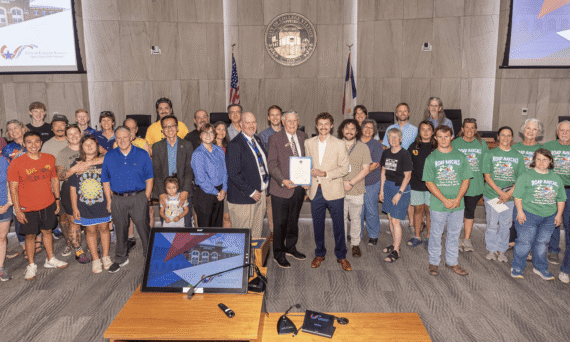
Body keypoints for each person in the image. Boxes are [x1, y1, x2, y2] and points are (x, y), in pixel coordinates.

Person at [8, 131, 68, 280]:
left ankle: (50, 259)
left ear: (41, 143)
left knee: (47, 231)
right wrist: (17, 210)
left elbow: (54, 179)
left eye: (36, 142)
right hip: (27, 207)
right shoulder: (17, 162)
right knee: (30, 236)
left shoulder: (49, 158)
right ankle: (31, 265)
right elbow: (13, 188)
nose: (33, 145)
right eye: (29, 142)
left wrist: (57, 200)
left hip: (48, 203)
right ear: (24, 144)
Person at [102, 126, 153, 273]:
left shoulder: (142, 154)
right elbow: (105, 180)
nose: (122, 140)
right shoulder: (110, 156)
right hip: (118, 199)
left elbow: (150, 177)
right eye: (118, 138)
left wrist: (146, 198)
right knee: (120, 229)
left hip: (138, 197)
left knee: (144, 229)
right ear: (115, 140)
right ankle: (121, 258)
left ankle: (149, 257)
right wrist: (109, 201)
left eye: (125, 137)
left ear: (131, 137)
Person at [423, 125, 472, 276]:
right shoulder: (431, 158)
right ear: (435, 138)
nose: (443, 140)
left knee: (454, 234)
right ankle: (434, 262)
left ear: (452, 137)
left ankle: (452, 262)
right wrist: (444, 200)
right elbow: (429, 182)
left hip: (458, 205)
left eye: (446, 136)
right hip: (438, 204)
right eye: (440, 136)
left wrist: (457, 199)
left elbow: (465, 179)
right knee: (435, 234)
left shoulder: (460, 156)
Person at [305, 112, 351, 271]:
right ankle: (319, 253)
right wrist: (305, 181)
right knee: (317, 225)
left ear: (331, 126)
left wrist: (325, 174)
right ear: (316, 126)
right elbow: (306, 165)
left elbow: (345, 168)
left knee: (339, 225)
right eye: (320, 124)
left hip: (334, 191)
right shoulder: (308, 143)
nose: (323, 127)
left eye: (326, 124)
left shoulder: (339, 144)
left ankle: (341, 256)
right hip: (315, 191)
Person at [511, 149, 566, 281]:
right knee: (524, 242)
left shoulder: (556, 178)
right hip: (528, 214)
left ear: (550, 161)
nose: (541, 162)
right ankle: (517, 266)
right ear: (534, 160)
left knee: (542, 243)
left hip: (548, 217)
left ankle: (540, 267)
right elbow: (517, 196)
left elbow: (561, 198)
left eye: (545, 159)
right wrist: (520, 212)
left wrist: (558, 215)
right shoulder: (526, 175)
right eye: (539, 159)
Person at [268, 110, 308, 268]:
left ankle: (291, 247)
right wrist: (283, 180)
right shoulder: (275, 138)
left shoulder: (303, 137)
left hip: (298, 189)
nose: (292, 124)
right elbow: (271, 164)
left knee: (293, 221)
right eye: (289, 121)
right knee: (279, 224)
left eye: (294, 121)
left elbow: (306, 161)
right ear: (283, 122)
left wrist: (307, 181)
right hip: (281, 188)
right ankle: (279, 253)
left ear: (298, 121)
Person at [69, 135, 113, 273]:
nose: (89, 146)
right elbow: (73, 188)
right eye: (85, 144)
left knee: (104, 229)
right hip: (84, 205)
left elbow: (108, 183)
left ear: (97, 146)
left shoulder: (104, 162)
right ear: (81, 147)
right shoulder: (76, 165)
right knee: (90, 231)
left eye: (92, 144)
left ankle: (105, 256)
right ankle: (95, 259)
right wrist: (75, 207)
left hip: (102, 202)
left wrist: (110, 201)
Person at [482, 126, 525, 263]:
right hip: (493, 195)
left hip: (509, 197)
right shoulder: (491, 154)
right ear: (498, 137)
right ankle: (491, 248)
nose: (505, 138)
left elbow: (521, 178)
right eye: (503, 135)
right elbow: (487, 177)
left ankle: (501, 250)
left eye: (508, 135)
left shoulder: (517, 156)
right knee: (492, 224)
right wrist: (500, 193)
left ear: (512, 138)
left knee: (506, 224)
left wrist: (508, 194)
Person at [56, 124, 94, 263]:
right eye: (70, 134)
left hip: (90, 187)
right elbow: (59, 175)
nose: (73, 136)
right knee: (75, 222)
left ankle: (93, 247)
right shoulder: (63, 153)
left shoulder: (90, 146)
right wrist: (74, 169)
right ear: (66, 137)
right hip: (69, 189)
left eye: (76, 133)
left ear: (81, 133)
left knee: (91, 221)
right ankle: (79, 251)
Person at [226, 112, 268, 238]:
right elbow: (233, 174)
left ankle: (254, 258)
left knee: (256, 235)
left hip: (260, 194)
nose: (251, 125)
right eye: (247, 122)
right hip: (244, 198)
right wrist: (251, 192)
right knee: (242, 238)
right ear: (241, 124)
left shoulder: (257, 140)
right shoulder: (234, 145)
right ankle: (242, 259)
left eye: (253, 122)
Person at [452, 118, 489, 252]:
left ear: (476, 130)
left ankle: (467, 239)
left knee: (469, 212)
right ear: (462, 129)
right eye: (466, 127)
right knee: (456, 213)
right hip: (458, 185)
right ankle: (456, 237)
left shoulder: (481, 143)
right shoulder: (455, 143)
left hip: (475, 185)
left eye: (472, 128)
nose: (469, 130)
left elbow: (486, 164)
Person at [115, 117, 154, 240]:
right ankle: (130, 237)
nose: (130, 131)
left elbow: (149, 164)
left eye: (133, 128)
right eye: (127, 128)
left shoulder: (143, 143)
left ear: (137, 130)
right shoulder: (117, 143)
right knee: (129, 214)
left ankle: (150, 237)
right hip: (125, 184)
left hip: (142, 183)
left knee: (149, 211)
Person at [152, 115, 194, 227]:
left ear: (177, 127)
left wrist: (185, 190)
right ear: (162, 130)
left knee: (185, 223)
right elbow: (157, 172)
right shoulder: (157, 147)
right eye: (166, 127)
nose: (170, 129)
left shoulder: (187, 145)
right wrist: (161, 192)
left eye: (172, 126)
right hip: (165, 189)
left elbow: (189, 170)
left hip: (183, 187)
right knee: (167, 222)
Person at [339, 119, 371, 257]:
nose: (349, 131)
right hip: (338, 190)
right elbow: (330, 168)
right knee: (340, 219)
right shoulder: (335, 146)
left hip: (356, 189)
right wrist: (343, 182)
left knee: (356, 218)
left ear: (357, 131)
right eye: (347, 128)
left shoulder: (363, 147)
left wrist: (350, 182)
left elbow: (366, 169)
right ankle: (341, 245)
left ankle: (355, 244)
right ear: (342, 130)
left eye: (353, 129)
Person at [379, 128, 412, 263]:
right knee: (390, 218)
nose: (393, 139)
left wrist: (399, 193)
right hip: (388, 187)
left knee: (396, 221)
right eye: (390, 137)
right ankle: (394, 244)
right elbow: (383, 172)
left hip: (401, 188)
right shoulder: (386, 152)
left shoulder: (405, 154)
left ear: (400, 139)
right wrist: (381, 190)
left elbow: (407, 176)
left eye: (396, 137)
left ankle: (396, 251)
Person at [509, 118, 543, 248]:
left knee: (530, 217)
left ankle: (528, 246)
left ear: (538, 132)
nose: (531, 131)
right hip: (515, 186)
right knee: (513, 214)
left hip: (532, 188)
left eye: (535, 129)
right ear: (523, 129)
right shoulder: (515, 147)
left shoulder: (541, 148)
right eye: (528, 128)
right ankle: (512, 240)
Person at [2, 120, 32, 257]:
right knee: (19, 213)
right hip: (17, 186)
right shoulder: (7, 150)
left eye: (16, 128)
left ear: (22, 128)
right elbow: (6, 171)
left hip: (34, 183)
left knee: (34, 213)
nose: (13, 131)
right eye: (10, 129)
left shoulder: (32, 141)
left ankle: (36, 240)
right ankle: (23, 244)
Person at [542, 121, 570, 265]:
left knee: (568, 221)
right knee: (554, 221)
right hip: (553, 189)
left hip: (569, 190)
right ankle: (553, 249)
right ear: (557, 132)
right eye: (561, 130)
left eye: (568, 130)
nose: (564, 133)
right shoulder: (548, 147)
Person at [407, 120, 436, 248]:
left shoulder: (437, 147)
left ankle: (429, 237)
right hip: (417, 184)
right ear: (419, 132)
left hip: (433, 186)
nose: (425, 132)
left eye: (428, 129)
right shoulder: (413, 147)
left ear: (432, 131)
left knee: (430, 212)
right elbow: (407, 165)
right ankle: (417, 236)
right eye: (423, 129)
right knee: (418, 210)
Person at [191, 124, 227, 227]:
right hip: (204, 194)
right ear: (200, 136)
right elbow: (201, 179)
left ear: (214, 135)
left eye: (211, 132)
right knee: (206, 228)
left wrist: (224, 190)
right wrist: (217, 193)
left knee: (217, 226)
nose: (208, 135)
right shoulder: (197, 154)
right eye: (204, 133)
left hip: (220, 192)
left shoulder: (219, 150)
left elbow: (225, 171)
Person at [258, 105, 283, 240]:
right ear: (268, 118)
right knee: (271, 205)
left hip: (286, 175)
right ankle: (273, 231)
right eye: (272, 115)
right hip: (270, 176)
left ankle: (284, 229)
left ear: (281, 116)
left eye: (277, 114)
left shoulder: (288, 132)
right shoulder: (262, 135)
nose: (275, 117)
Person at [360, 119, 383, 246]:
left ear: (374, 131)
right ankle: (356, 233)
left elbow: (374, 165)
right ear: (361, 129)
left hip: (371, 182)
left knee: (371, 209)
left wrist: (358, 173)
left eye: (371, 128)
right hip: (356, 184)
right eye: (366, 127)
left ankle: (373, 235)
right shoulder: (355, 143)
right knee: (357, 210)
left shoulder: (376, 144)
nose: (368, 130)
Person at [213, 121, 232, 228]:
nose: (221, 131)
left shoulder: (230, 147)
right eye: (218, 129)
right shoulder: (208, 147)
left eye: (224, 129)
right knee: (215, 217)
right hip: (212, 188)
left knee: (226, 216)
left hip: (227, 186)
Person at [0, 155, 13, 281]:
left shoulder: (3, 161)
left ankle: (0, 268)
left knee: (2, 238)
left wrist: (9, 203)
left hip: (5, 206)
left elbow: (9, 183)